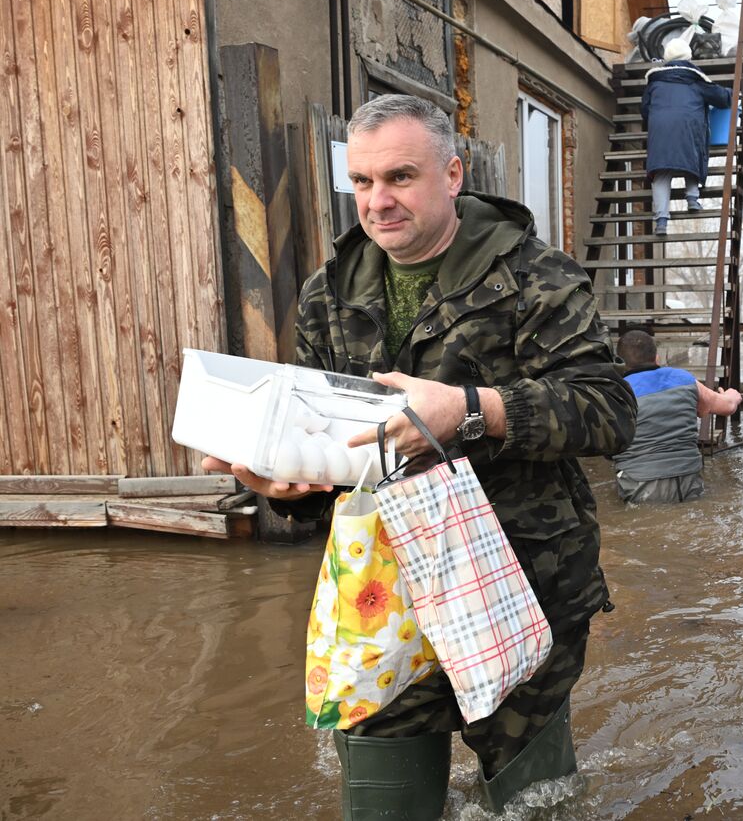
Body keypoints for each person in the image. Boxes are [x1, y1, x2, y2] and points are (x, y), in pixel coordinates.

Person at [201, 94, 637, 817]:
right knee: (384, 804)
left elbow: (609, 412)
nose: (378, 201)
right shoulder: (327, 295)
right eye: (363, 182)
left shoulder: (536, 276)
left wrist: (470, 410)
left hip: (523, 584)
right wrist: (278, 482)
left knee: (532, 799)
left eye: (400, 177)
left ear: (453, 174)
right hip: (383, 597)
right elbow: (328, 459)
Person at [611, 330, 742, 504]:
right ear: (657, 358)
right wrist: (733, 395)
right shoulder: (684, 379)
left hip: (639, 486)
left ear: (618, 364)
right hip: (689, 482)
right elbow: (727, 406)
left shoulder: (615, 393)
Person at [639, 38, 732, 237]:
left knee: (661, 175)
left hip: (660, 132)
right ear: (688, 56)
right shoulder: (696, 80)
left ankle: (661, 221)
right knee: (691, 157)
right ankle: (692, 199)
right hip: (689, 128)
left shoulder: (654, 83)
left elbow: (644, 110)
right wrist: (732, 92)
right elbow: (722, 98)